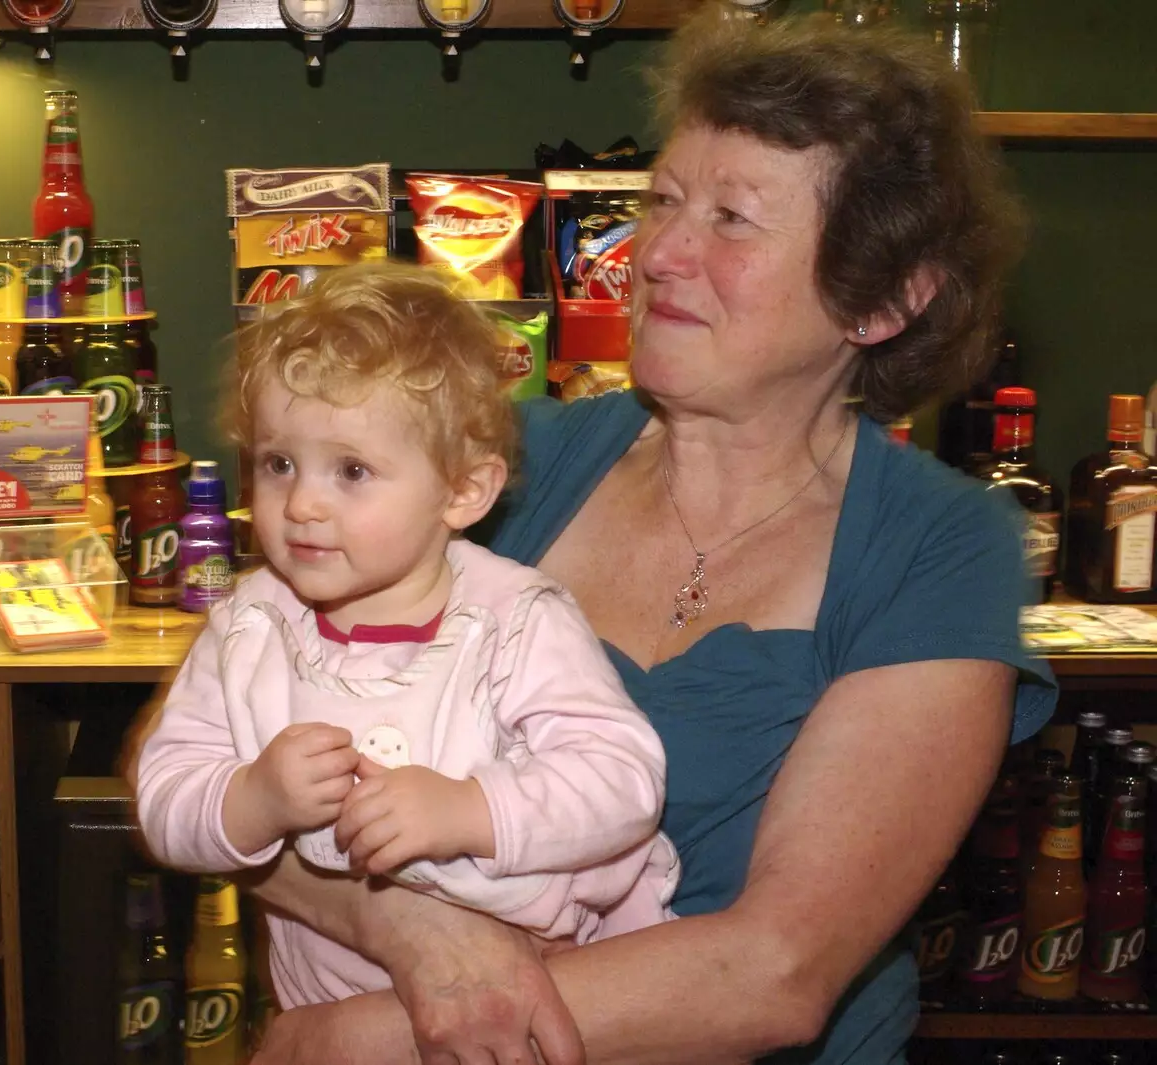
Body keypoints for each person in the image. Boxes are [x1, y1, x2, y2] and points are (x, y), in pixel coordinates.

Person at [136, 11, 1055, 1065]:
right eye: (661, 200)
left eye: (732, 219)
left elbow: (775, 972)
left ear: (885, 298)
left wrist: (348, 1040)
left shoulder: (940, 546)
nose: (657, 251)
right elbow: (217, 749)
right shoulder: (489, 467)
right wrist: (416, 931)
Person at [135, 263, 681, 1008]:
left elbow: (623, 780)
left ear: (463, 491)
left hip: (541, 998)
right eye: (278, 462)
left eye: (352, 470)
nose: (301, 504)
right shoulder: (249, 630)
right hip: (335, 1017)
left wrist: (469, 810)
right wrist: (251, 798)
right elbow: (165, 795)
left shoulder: (514, 621)